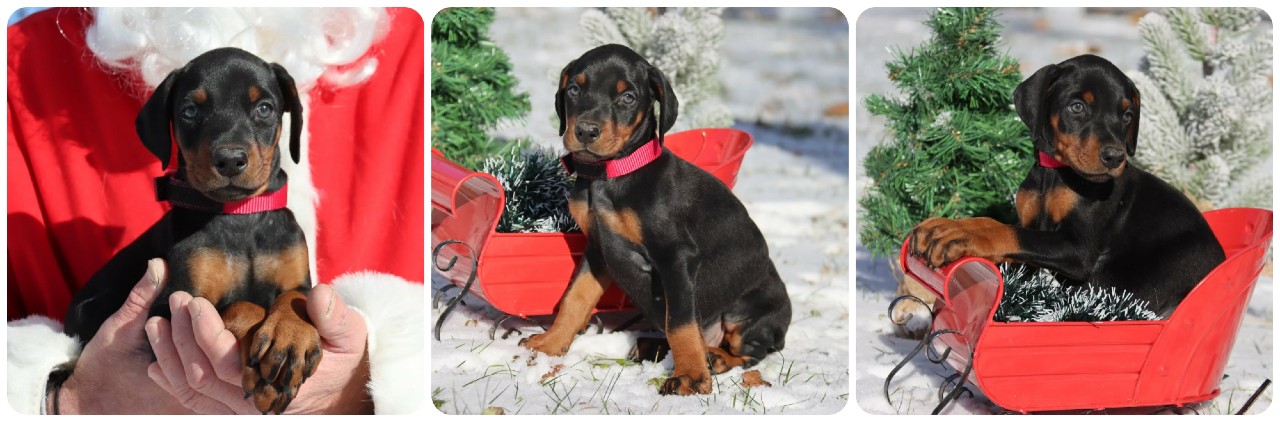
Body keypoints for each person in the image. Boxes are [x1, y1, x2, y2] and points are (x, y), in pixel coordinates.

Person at [7, 7, 424, 414]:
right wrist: (68, 400)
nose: (229, 148)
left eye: (262, 109)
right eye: (192, 111)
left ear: (286, 122)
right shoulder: (192, 236)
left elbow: (296, 297)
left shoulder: (287, 234)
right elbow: (193, 323)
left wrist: (351, 383)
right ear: (166, 128)